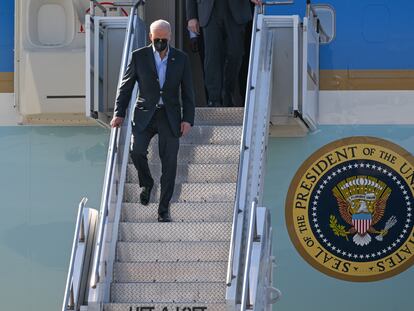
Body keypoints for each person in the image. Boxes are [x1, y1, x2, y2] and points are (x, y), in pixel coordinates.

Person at [110, 19, 195, 222]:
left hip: (170, 116)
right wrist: (118, 113)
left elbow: (188, 92)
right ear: (150, 37)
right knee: (136, 151)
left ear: (170, 37)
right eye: (157, 39)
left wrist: (188, 119)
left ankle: (163, 210)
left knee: (169, 164)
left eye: (164, 39)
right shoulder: (139, 57)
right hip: (144, 114)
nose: (160, 43)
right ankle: (147, 182)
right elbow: (126, 87)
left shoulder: (181, 59)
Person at [186, 0, 262, 107]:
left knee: (236, 54)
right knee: (212, 57)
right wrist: (192, 16)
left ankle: (228, 92)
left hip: (236, 9)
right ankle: (214, 99)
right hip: (209, 10)